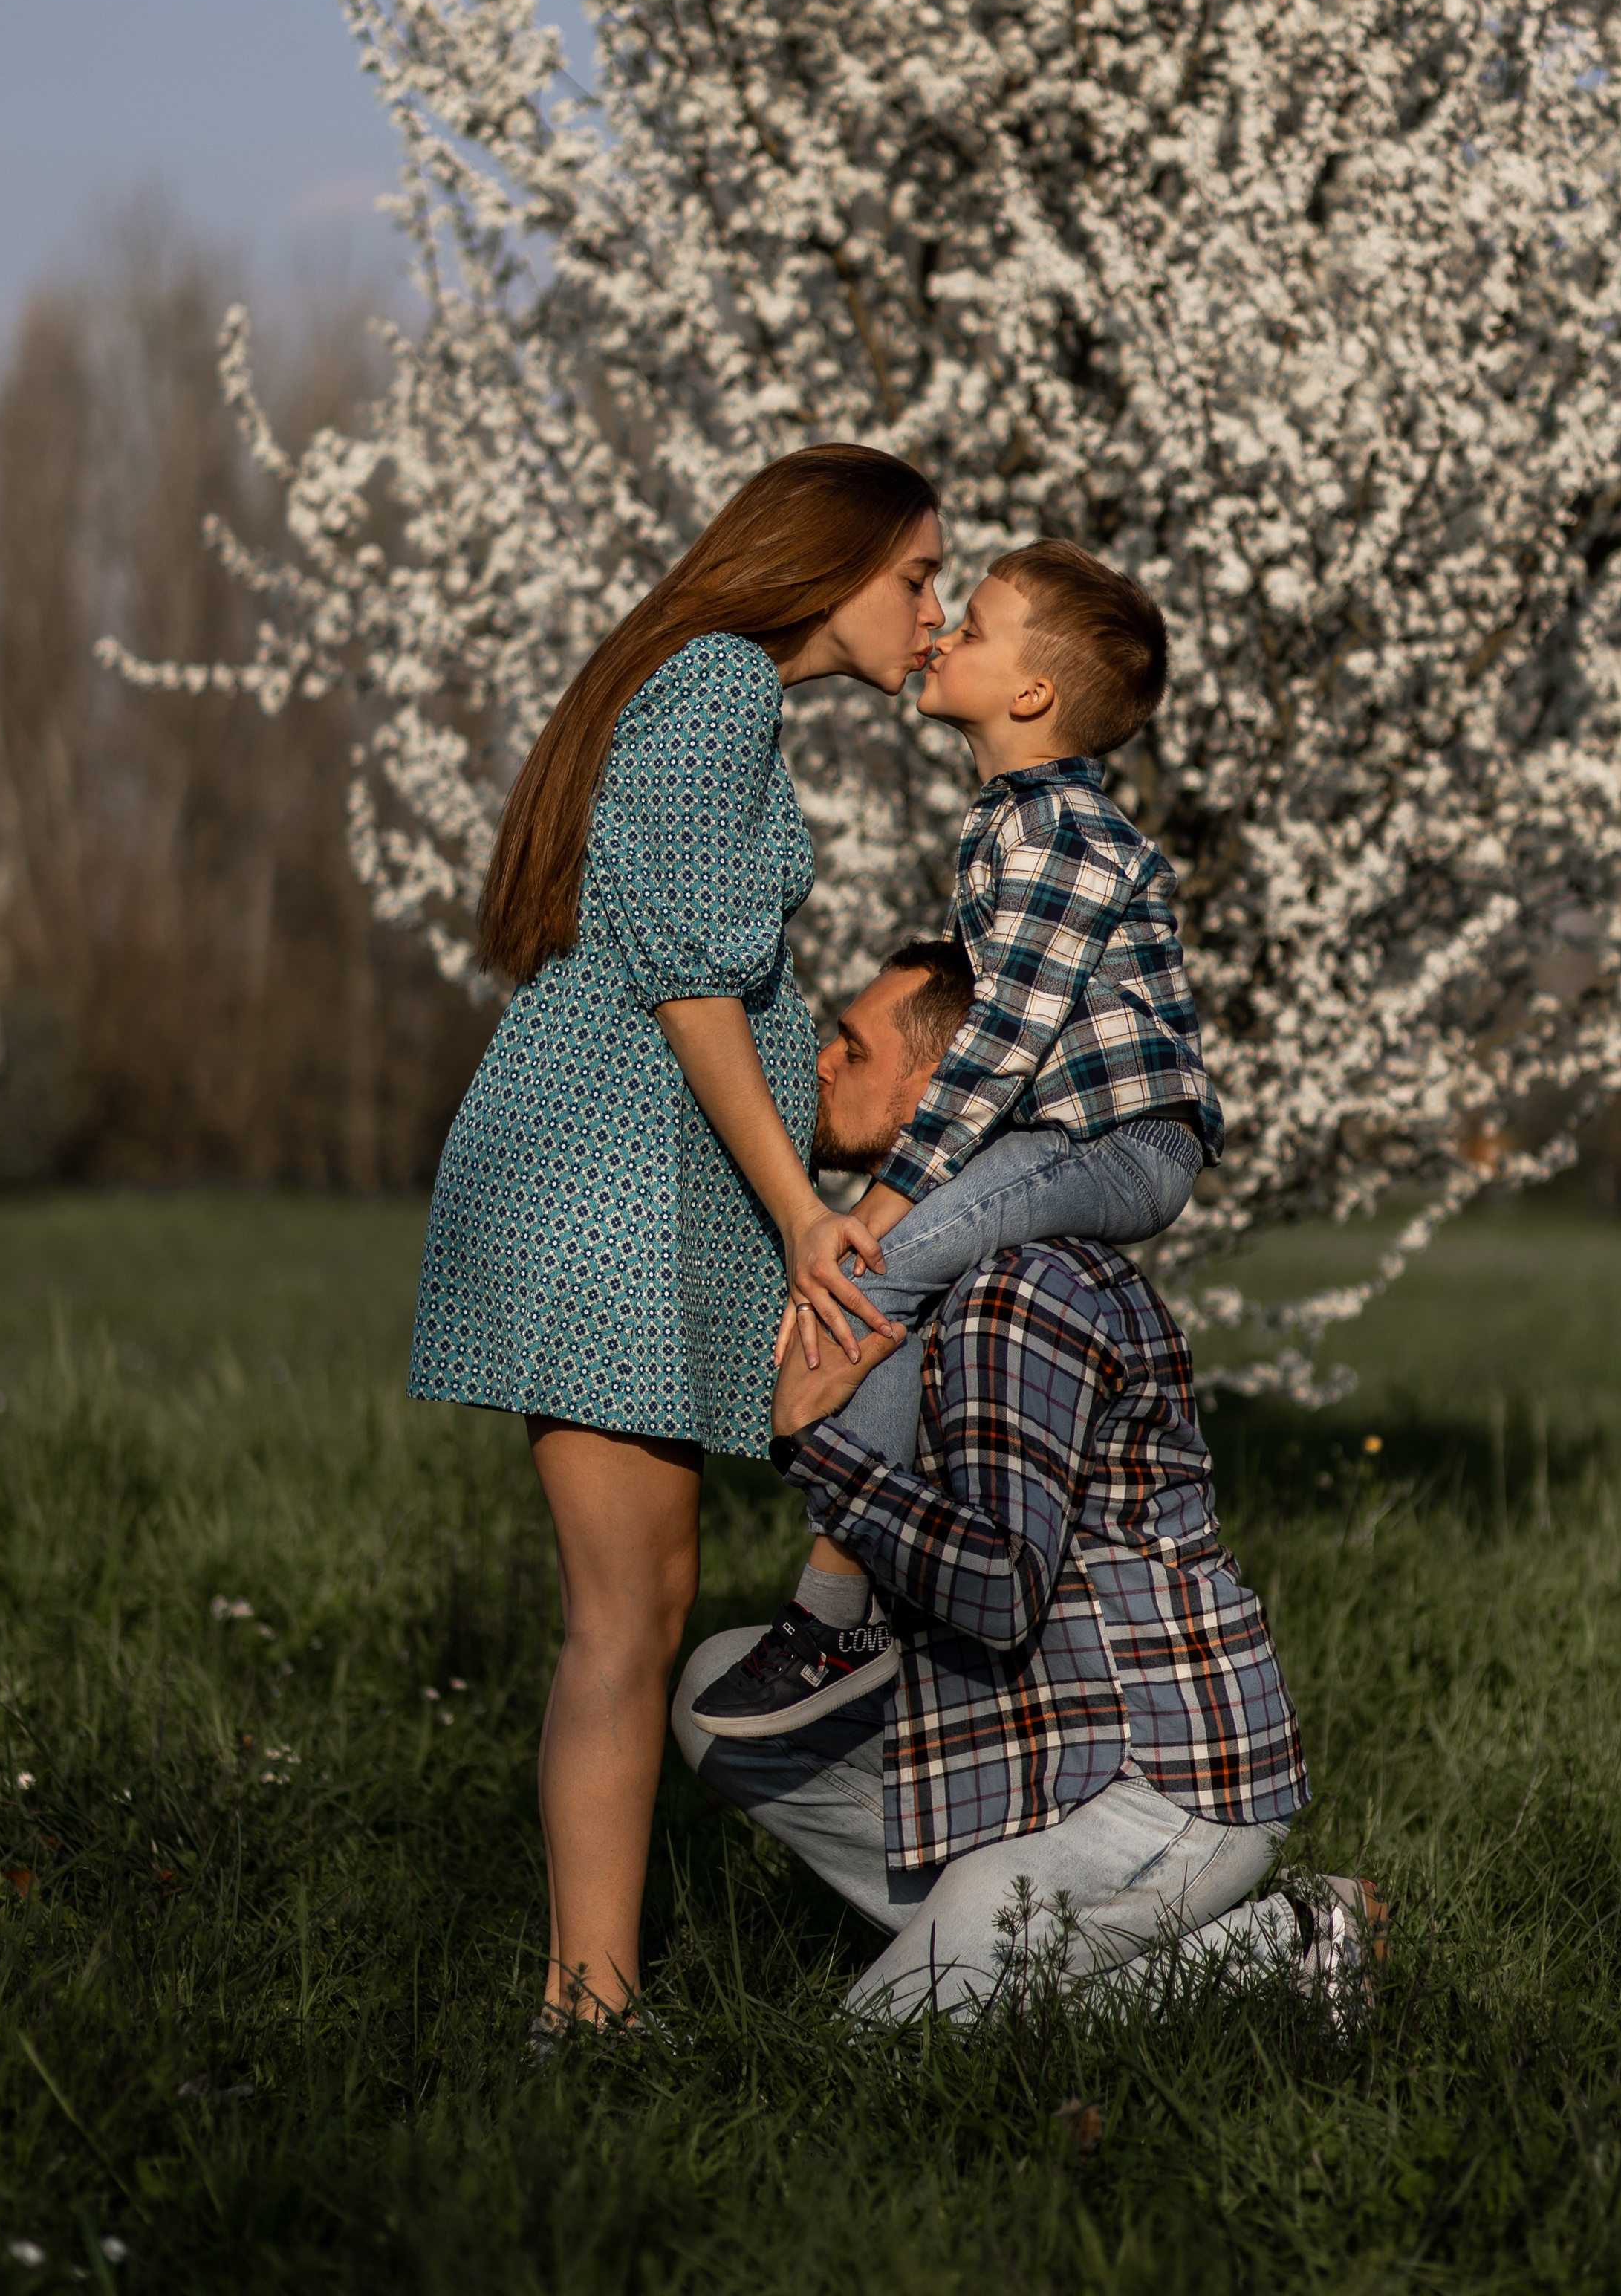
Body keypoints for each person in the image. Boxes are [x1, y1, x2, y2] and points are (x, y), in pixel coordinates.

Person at [407, 445, 944, 2029]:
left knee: (635, 1610)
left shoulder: (707, 689)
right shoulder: (716, 686)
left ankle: (594, 1996)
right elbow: (690, 991)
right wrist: (800, 1215)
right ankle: (585, 2008)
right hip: (608, 1185)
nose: (930, 611)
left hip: (619, 1178)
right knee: (623, 1620)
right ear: (827, 562)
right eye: (915, 578)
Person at [673, 942, 1385, 2023]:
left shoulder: (1022, 1293)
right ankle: (998, 1960)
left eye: (855, 1047)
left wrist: (821, 1452)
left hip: (1158, 1784)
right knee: (713, 1696)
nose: (822, 1062)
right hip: (1030, 1742)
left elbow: (1000, 1587)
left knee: (874, 2058)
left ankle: (1275, 1945)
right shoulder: (929, 1292)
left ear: (946, 1093)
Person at [691, 539, 1224, 1739]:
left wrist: (872, 1215)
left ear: (1033, 695)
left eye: (971, 628)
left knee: (867, 1270)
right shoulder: (1011, 821)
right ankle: (855, 1582)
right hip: (1067, 1137)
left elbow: (996, 1055)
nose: (939, 634)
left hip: (1120, 1142)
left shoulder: (1063, 834)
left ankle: (838, 1602)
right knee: (880, 1304)